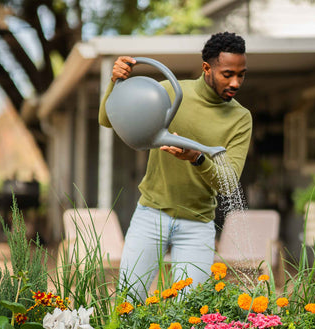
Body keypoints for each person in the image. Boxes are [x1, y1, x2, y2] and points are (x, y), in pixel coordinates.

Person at [98, 31, 252, 301]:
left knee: (189, 312)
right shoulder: (170, 91)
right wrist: (116, 83)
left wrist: (197, 158)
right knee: (129, 302)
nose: (236, 82)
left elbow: (228, 183)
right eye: (228, 74)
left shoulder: (240, 118)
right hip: (151, 215)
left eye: (241, 74)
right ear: (207, 68)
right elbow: (107, 119)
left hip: (198, 224)